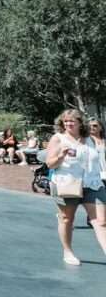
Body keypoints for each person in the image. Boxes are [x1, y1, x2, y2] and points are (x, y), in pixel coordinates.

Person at [47, 109, 106, 266]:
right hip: (67, 184)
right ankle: (68, 252)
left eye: (72, 120)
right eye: (65, 121)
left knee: (101, 222)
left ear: (80, 122)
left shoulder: (90, 139)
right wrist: (61, 156)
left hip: (92, 184)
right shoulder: (58, 139)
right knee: (67, 219)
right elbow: (50, 164)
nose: (68, 123)